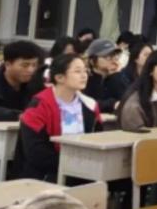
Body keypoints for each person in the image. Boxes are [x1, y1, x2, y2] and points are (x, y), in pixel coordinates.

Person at [15, 54, 101, 182]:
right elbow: (36, 153)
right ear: (59, 77)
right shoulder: (39, 106)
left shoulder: (90, 105)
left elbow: (98, 139)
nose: (84, 75)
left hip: (82, 169)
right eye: (77, 71)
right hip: (46, 173)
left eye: (85, 71)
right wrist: (73, 164)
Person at [0, 41, 44, 122]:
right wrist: (18, 115)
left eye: (34, 65)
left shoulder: (36, 85)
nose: (31, 70)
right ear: (8, 64)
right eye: (25, 65)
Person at [105, 42, 152, 108]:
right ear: (136, 58)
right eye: (146, 55)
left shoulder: (151, 78)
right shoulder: (120, 78)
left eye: (151, 55)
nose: (150, 58)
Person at [83, 39, 124, 114]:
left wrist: (116, 75)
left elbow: (125, 98)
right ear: (92, 60)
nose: (113, 60)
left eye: (114, 55)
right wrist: (112, 104)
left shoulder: (117, 76)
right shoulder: (86, 78)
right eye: (107, 57)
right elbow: (88, 103)